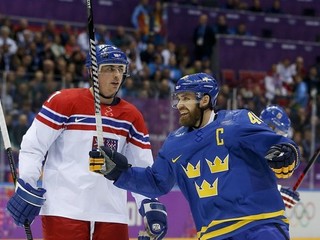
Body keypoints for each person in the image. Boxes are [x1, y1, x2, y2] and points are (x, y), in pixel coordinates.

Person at [90, 72, 301, 240]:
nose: (179, 104)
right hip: (213, 234)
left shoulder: (238, 121)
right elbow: (156, 182)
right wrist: (118, 173)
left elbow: (279, 146)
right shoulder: (174, 143)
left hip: (260, 225)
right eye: (178, 98)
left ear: (205, 100)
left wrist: (286, 154)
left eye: (186, 98)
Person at [6, 44, 167, 240]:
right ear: (92, 72)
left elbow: (142, 168)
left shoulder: (131, 116)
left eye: (120, 69)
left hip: (112, 213)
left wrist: (150, 204)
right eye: (108, 69)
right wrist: (27, 184)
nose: (116, 75)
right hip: (64, 209)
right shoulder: (63, 102)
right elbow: (33, 146)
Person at [260, 105, 300, 209]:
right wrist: (277, 192)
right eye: (279, 132)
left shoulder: (265, 149)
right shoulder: (249, 143)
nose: (280, 138)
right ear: (269, 126)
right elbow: (243, 179)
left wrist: (277, 190)